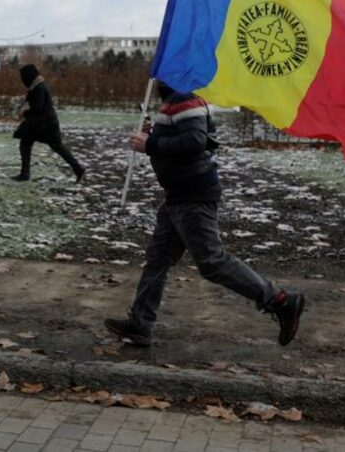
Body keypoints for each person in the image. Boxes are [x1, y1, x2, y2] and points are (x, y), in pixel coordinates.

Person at [104, 82, 305, 347]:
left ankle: (280, 301)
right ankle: (141, 323)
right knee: (158, 259)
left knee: (212, 262)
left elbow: (195, 141)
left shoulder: (185, 97)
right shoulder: (174, 101)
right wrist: (153, 135)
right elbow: (180, 139)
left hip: (193, 195)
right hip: (177, 195)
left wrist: (151, 143)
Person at [12, 64, 85, 182]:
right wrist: (27, 98)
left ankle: (25, 174)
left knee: (27, 142)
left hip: (43, 125)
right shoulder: (38, 86)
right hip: (47, 123)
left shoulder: (38, 88)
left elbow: (38, 109)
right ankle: (78, 168)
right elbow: (37, 101)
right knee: (53, 146)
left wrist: (25, 113)